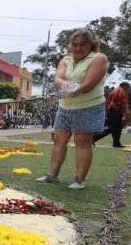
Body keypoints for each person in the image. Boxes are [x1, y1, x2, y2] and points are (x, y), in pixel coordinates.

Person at [37, 28, 109, 190]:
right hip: (65, 107)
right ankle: (52, 175)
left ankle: (79, 179)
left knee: (82, 142)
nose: (78, 48)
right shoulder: (66, 59)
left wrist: (63, 93)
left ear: (91, 44)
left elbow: (88, 85)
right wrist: (63, 86)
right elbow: (57, 79)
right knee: (58, 140)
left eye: (83, 44)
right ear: (70, 45)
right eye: (74, 44)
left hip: (88, 106)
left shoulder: (99, 59)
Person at [93, 82, 130, 147]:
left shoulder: (113, 91)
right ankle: (94, 138)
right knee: (113, 128)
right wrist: (125, 112)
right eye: (127, 87)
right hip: (116, 111)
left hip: (111, 111)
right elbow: (123, 103)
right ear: (124, 86)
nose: (127, 89)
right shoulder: (122, 91)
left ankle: (116, 142)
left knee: (116, 128)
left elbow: (108, 101)